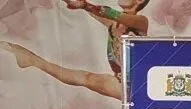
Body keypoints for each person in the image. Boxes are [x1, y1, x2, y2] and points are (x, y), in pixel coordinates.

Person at [2, 0, 150, 100]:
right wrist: (78, 4)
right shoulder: (113, 24)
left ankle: (32, 61)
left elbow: (112, 14)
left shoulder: (141, 22)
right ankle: (32, 60)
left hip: (139, 84)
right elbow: (96, 12)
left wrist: (86, 6)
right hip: (120, 81)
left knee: (87, 78)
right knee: (86, 78)